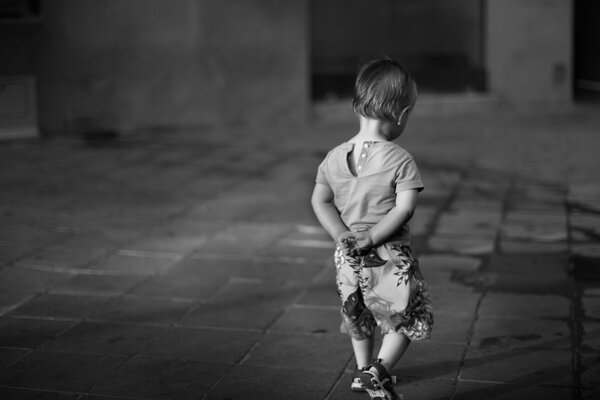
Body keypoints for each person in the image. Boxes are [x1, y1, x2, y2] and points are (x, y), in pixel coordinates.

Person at [311, 58, 433, 400]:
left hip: (346, 255)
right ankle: (379, 372)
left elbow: (319, 201)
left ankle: (362, 371)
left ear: (355, 107)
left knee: (357, 312)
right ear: (401, 114)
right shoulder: (400, 159)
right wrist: (374, 236)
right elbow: (405, 208)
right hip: (388, 254)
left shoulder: (333, 157)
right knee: (409, 315)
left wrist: (340, 234)